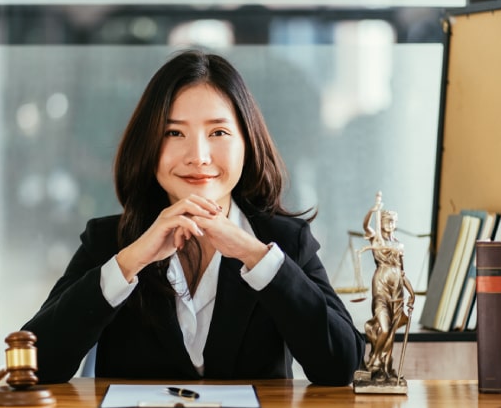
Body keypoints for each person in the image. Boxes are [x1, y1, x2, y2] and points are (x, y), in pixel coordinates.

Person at [21, 49, 365, 386]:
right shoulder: (110, 241)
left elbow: (343, 366)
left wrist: (255, 256)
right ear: (148, 146)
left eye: (218, 133)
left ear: (247, 142)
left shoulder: (284, 242)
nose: (198, 156)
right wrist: (130, 262)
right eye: (174, 133)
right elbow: (34, 365)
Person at [359, 192, 415, 382]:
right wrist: (373, 210)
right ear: (381, 222)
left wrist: (412, 292)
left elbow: (402, 272)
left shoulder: (399, 245)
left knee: (392, 332)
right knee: (383, 328)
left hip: (397, 289)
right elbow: (365, 226)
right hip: (381, 286)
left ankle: (385, 369)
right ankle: (372, 361)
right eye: (387, 221)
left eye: (393, 221)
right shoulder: (376, 239)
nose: (390, 224)